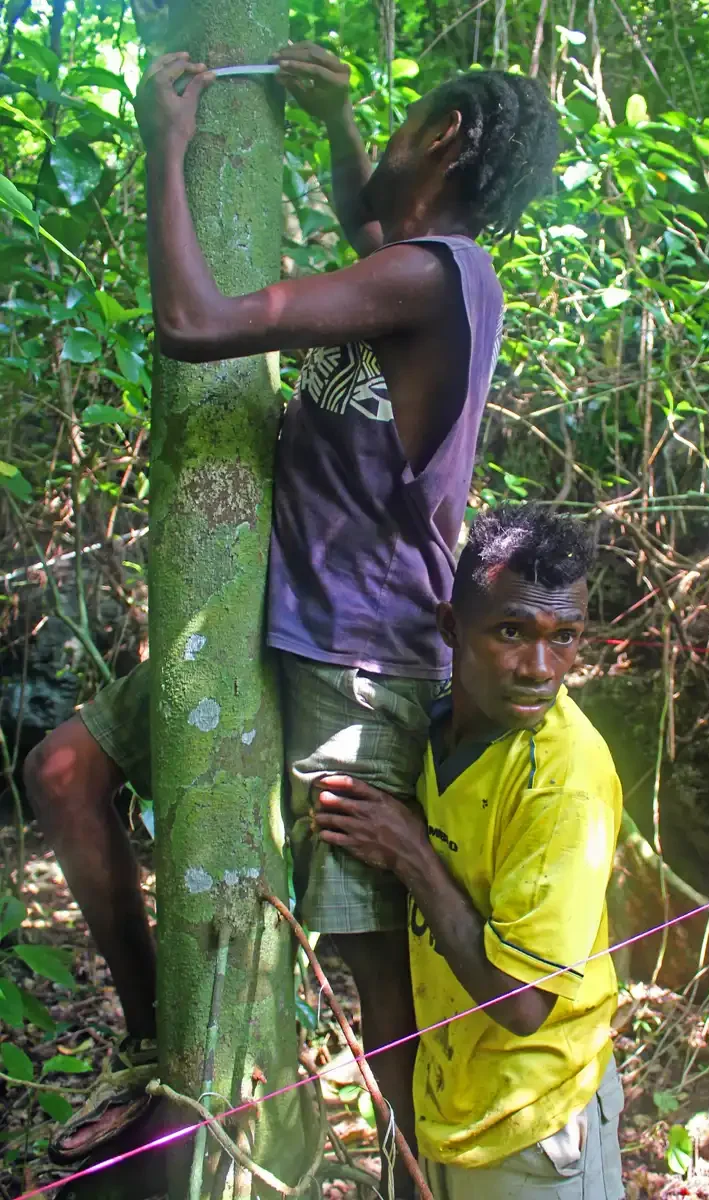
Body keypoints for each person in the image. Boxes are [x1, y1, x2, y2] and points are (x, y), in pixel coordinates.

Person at [23, 43, 560, 1193]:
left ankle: (410, 1180)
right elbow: (371, 244)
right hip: (262, 616)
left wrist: (166, 145)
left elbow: (194, 320)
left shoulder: (442, 275)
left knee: (373, 977)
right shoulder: (415, 275)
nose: (392, 137)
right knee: (65, 771)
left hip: (365, 658)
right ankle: (160, 1053)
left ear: (449, 140)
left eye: (409, 123)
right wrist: (338, 128)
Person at [314, 504, 625, 1199]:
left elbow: (524, 1004)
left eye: (564, 638)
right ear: (452, 626)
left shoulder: (564, 782)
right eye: (511, 632)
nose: (539, 668)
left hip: (533, 1122)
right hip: (447, 1096)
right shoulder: (428, 727)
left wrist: (410, 854)